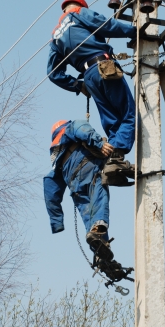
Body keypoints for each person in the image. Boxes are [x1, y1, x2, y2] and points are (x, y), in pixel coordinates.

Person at [47, 0, 137, 186]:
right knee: (129, 114)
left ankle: (113, 161)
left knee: (112, 119)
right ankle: (118, 152)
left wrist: (77, 85)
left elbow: (53, 73)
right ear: (79, 5)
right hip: (104, 66)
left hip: (88, 78)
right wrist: (135, 31)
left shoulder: (55, 35)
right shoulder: (78, 13)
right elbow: (106, 25)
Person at [43, 119, 129, 280]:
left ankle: (101, 255)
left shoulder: (56, 156)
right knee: (100, 197)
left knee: (90, 218)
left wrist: (57, 221)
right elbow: (82, 128)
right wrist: (99, 144)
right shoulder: (70, 127)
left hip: (74, 186)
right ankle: (99, 236)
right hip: (87, 168)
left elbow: (50, 189)